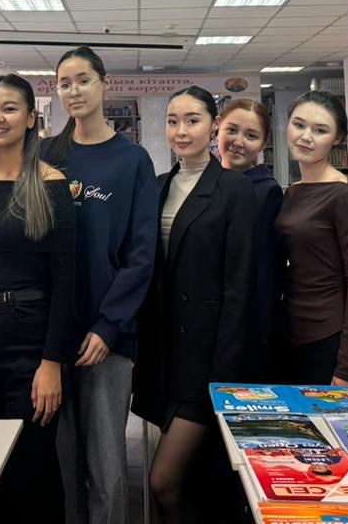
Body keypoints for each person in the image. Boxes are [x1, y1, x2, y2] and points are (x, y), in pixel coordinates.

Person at [133, 86, 259, 524]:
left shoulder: (234, 189)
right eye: (173, 121)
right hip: (163, 356)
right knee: (187, 481)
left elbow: (241, 286)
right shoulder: (157, 187)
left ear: (213, 126)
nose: (181, 131)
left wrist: (223, 376)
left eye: (192, 120)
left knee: (164, 480)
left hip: (206, 360)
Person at [43, 46, 158, 524]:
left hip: (106, 337)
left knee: (106, 467)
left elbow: (141, 253)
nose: (74, 90)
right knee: (59, 463)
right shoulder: (46, 154)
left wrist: (109, 325)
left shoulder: (132, 160)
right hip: (51, 336)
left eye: (83, 80)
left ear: (104, 84)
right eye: (65, 83)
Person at [0, 74, 75, 522]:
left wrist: (52, 362)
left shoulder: (52, 184)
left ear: (29, 119)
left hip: (31, 338)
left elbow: (66, 282)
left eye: (9, 109)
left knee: (32, 462)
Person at [274, 91, 348, 386]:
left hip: (329, 335)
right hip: (290, 330)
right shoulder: (293, 191)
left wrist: (347, 367)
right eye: (299, 125)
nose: (306, 137)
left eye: (320, 130)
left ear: (337, 138)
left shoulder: (343, 195)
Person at [216, 97, 284, 368]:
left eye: (251, 136)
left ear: (263, 143)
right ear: (218, 127)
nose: (238, 142)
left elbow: (266, 272)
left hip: (242, 326)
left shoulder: (266, 191)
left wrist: (261, 336)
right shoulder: (204, 182)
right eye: (232, 130)